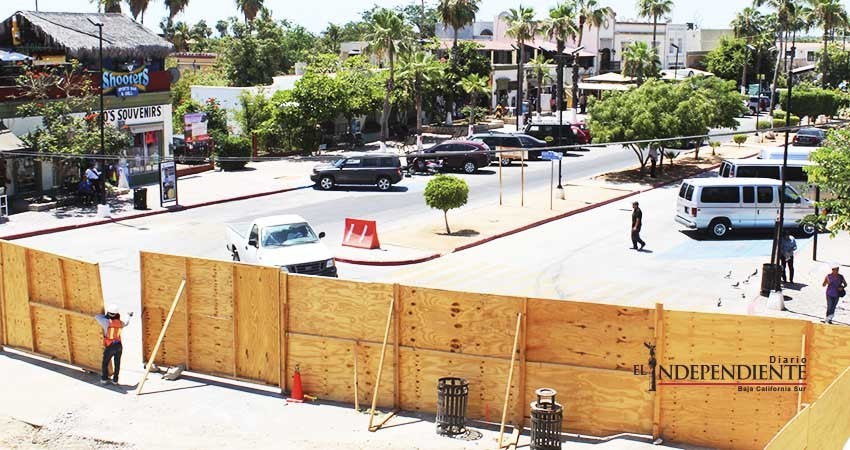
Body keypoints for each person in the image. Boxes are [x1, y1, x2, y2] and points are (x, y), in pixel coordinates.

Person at [95, 304, 132, 384]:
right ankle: (115, 380)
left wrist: (105, 316)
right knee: (117, 363)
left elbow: (97, 317)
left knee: (105, 363)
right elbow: (127, 322)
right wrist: (128, 315)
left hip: (110, 346)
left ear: (108, 313)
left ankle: (104, 379)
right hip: (119, 345)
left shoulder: (105, 322)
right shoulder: (121, 323)